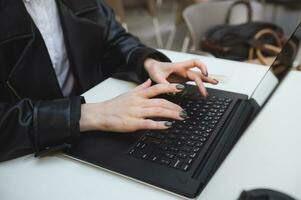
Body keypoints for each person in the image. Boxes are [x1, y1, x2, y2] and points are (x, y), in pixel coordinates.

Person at [0, 0, 218, 162]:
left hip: (90, 136)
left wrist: (148, 63)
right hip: (28, 159)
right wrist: (88, 113)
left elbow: (114, 39)